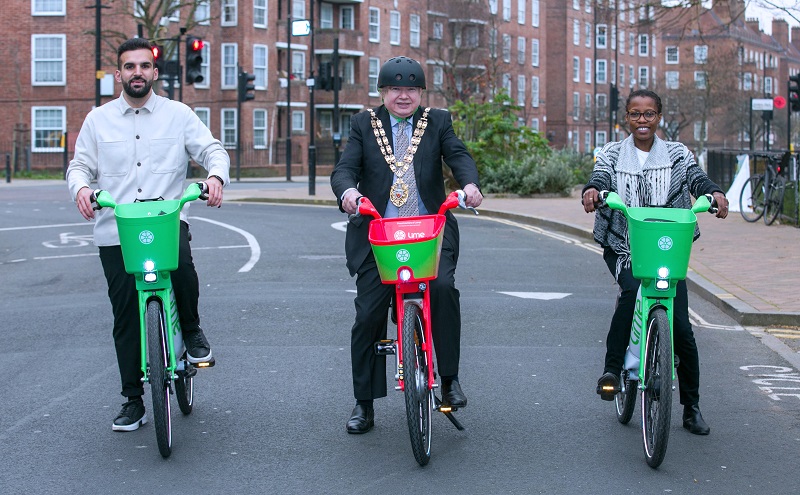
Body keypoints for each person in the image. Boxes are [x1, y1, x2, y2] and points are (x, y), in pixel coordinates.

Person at [66, 38, 230, 432]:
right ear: (118, 73)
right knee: (125, 316)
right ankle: (133, 400)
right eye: (129, 66)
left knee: (184, 268)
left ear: (154, 72)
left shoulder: (178, 114)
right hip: (116, 230)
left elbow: (212, 149)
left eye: (144, 66)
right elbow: (79, 166)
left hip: (165, 220)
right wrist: (82, 189)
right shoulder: (97, 120)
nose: (136, 72)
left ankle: (190, 330)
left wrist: (214, 177)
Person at [330, 56, 483, 434]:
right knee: (368, 314)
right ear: (383, 92)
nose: (403, 95)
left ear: (420, 92)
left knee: (444, 289)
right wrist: (348, 192)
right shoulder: (364, 124)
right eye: (395, 89)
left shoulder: (438, 121)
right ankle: (364, 404)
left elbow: (458, 155)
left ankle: (449, 380)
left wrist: (469, 185)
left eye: (411, 88)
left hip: (429, 231)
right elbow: (345, 167)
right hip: (378, 234)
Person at [582, 89, 728, 436]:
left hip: (666, 249)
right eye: (635, 114)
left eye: (649, 114)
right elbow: (601, 177)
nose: (642, 120)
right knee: (631, 291)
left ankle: (691, 408)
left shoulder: (677, 153)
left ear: (659, 116)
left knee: (683, 329)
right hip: (625, 246)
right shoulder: (613, 153)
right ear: (627, 118)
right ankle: (612, 372)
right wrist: (592, 191)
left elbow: (696, 178)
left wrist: (715, 193)